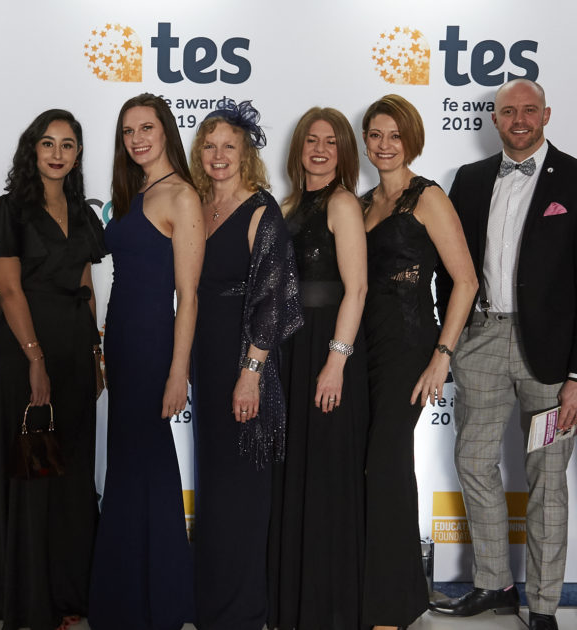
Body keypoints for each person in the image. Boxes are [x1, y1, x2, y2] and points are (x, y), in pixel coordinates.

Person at [430, 79, 577, 630]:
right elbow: (450, 267)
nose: (519, 120)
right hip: (481, 340)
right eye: (508, 111)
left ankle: (545, 605)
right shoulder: (470, 179)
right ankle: (494, 583)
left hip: (554, 361)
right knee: (473, 462)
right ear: (494, 118)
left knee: (547, 477)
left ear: (546, 115)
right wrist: (454, 336)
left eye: (529, 110)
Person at [0, 109, 105, 630]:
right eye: (48, 143)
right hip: (27, 358)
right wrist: (36, 360)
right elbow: (8, 290)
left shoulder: (83, 212)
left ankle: (68, 595)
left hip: (74, 354)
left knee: (70, 478)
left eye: (68, 145)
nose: (57, 153)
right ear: (33, 149)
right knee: (36, 476)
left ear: (77, 154)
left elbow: (86, 285)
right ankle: (29, 601)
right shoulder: (11, 210)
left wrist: (95, 354)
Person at [358, 94, 477, 630]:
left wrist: (441, 356)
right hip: (360, 349)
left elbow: (466, 281)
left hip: (408, 348)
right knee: (369, 467)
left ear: (412, 140)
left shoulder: (427, 197)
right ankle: (379, 591)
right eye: (375, 135)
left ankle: (394, 605)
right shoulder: (362, 203)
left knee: (385, 465)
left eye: (395, 135)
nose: (385, 145)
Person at [89, 93, 203, 630]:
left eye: (146, 128)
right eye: (128, 131)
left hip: (155, 346)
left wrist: (178, 371)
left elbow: (189, 295)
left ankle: (160, 600)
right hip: (122, 343)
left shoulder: (181, 195)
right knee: (129, 465)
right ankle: (130, 598)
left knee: (150, 463)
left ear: (166, 132)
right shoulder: (134, 192)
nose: (137, 139)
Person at [186, 101, 301, 630]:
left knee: (242, 492)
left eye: (228, 146)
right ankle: (210, 604)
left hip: (244, 364)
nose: (218, 155)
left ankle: (243, 612)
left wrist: (250, 374)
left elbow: (273, 302)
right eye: (209, 145)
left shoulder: (261, 210)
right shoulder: (196, 205)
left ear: (245, 152)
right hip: (205, 361)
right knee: (213, 486)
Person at [267, 107, 368, 630]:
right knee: (294, 472)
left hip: (327, 348)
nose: (320, 149)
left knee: (326, 475)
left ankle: (328, 610)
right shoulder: (285, 206)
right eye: (312, 139)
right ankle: (292, 604)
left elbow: (357, 289)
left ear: (343, 151)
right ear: (298, 147)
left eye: (331, 141)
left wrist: (336, 361)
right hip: (288, 349)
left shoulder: (343, 203)